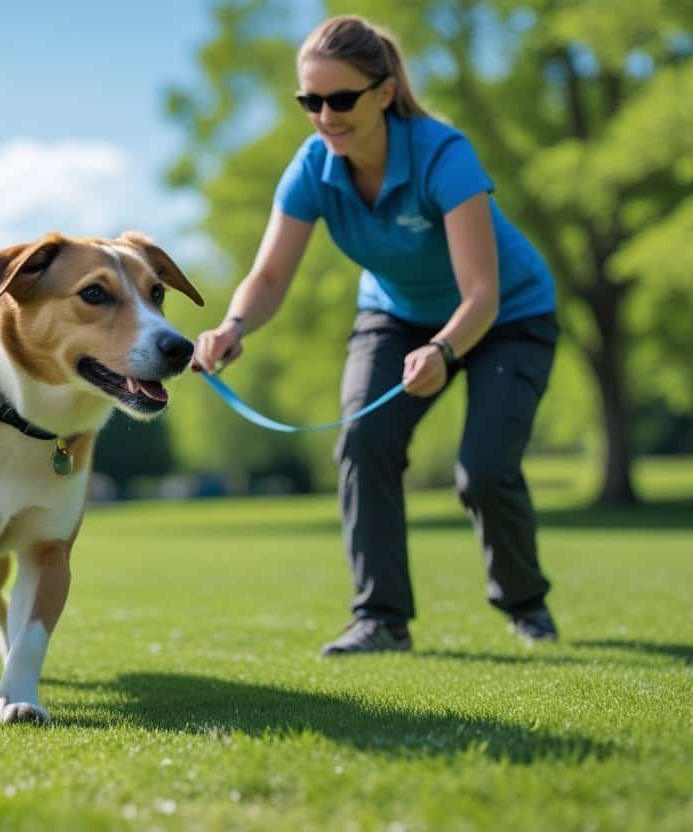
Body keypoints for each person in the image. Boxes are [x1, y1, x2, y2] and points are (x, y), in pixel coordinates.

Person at [192, 15, 561, 656]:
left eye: (341, 100)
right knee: (363, 445)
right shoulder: (313, 168)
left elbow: (482, 294)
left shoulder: (444, 154)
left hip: (507, 318)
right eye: (311, 102)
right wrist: (233, 324)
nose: (325, 117)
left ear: (384, 92)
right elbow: (271, 274)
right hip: (394, 314)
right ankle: (382, 618)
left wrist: (445, 351)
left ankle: (525, 602)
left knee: (483, 472)